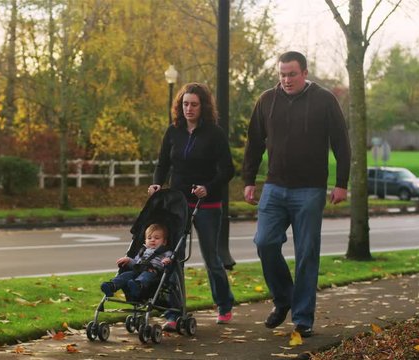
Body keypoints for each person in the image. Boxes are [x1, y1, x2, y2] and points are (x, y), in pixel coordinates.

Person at [242, 51, 351, 338]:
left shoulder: (324, 99)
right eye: (282, 74)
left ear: (304, 72)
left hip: (311, 190)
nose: (286, 80)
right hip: (274, 187)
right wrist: (249, 180)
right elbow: (254, 143)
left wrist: (341, 183)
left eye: (291, 74)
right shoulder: (267, 100)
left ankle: (303, 319)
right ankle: (284, 299)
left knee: (306, 255)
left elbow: (341, 143)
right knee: (264, 242)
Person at [148, 82, 235, 329]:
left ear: (203, 106)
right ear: (180, 105)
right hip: (177, 203)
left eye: (194, 104)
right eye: (185, 104)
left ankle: (224, 303)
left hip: (207, 204)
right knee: (172, 258)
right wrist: (157, 184)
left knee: (212, 258)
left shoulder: (215, 134)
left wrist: (208, 186)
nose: (189, 108)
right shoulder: (173, 131)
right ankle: (174, 312)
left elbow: (227, 170)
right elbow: (162, 164)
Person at [100, 223, 173, 301]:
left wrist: (167, 260)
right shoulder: (143, 251)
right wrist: (128, 260)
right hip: (137, 270)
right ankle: (112, 285)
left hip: (152, 272)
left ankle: (138, 286)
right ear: (145, 241)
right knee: (125, 275)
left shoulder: (166, 251)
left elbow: (170, 259)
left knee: (145, 276)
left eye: (157, 238)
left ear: (164, 242)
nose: (152, 240)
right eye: (149, 238)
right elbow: (135, 262)